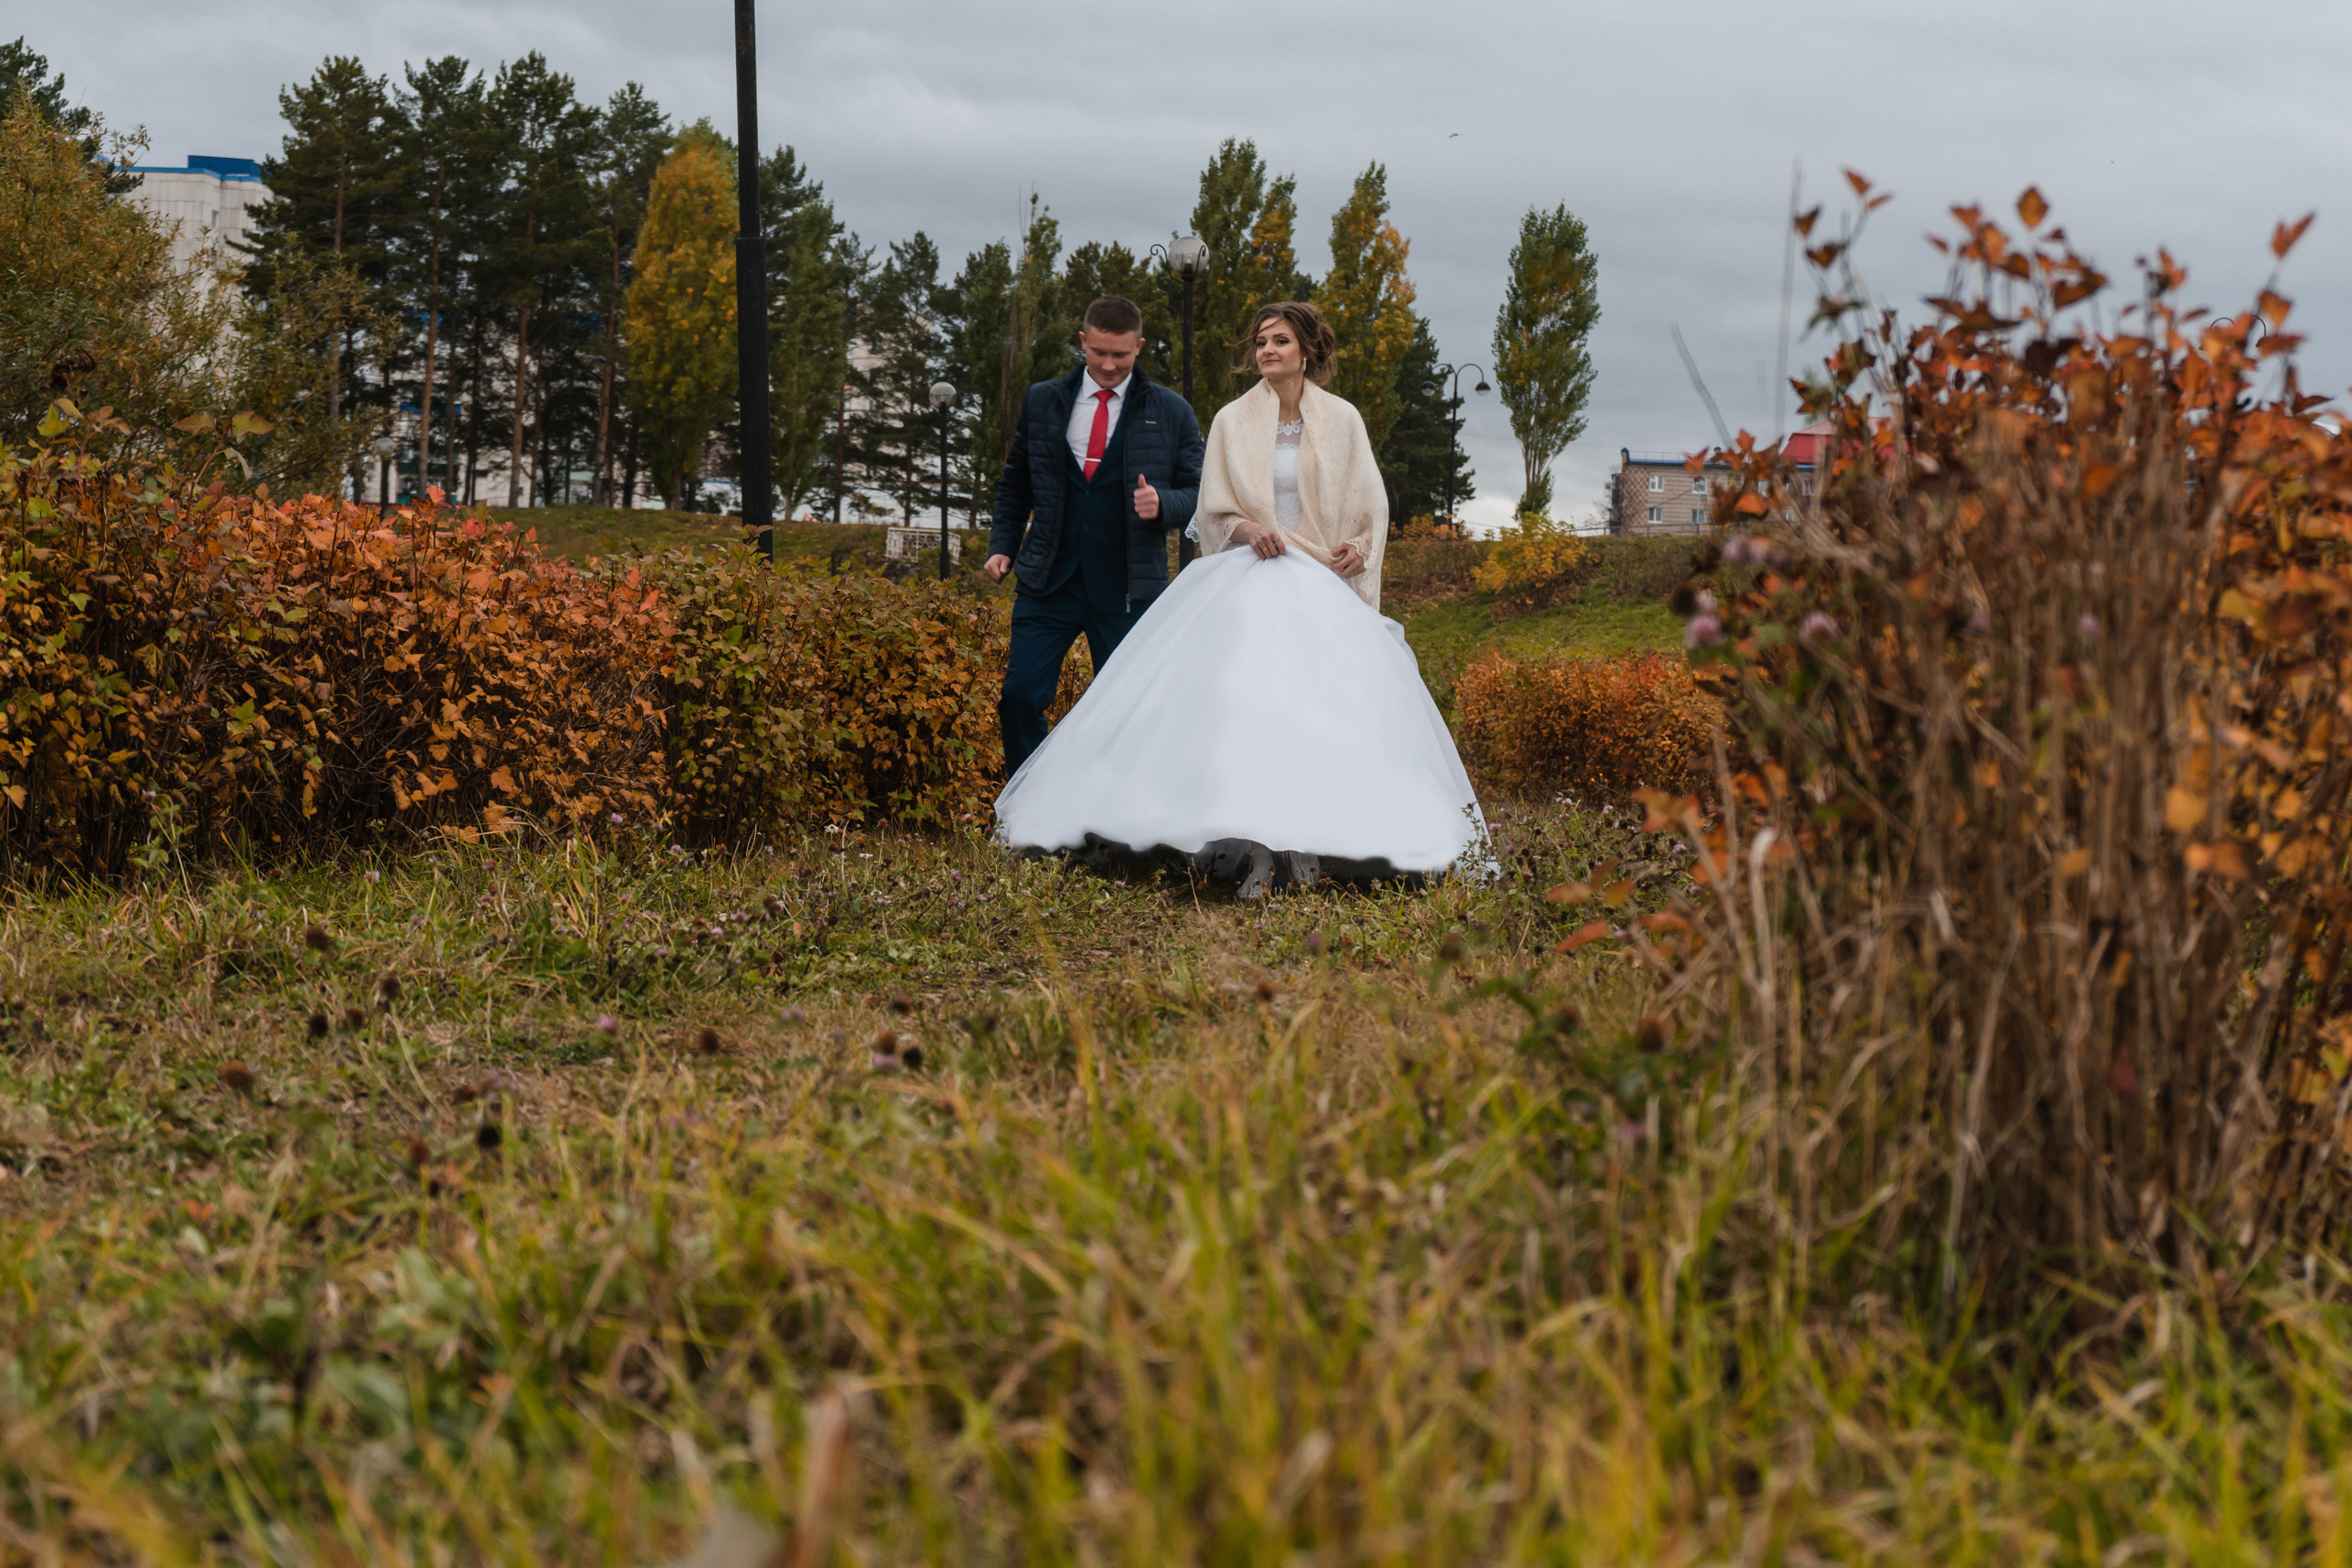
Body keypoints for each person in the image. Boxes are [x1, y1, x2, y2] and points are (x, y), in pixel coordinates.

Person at [994, 300, 1490, 897]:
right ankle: (1252, 846)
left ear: (1307, 351)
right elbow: (1212, 507)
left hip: (1317, 580)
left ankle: (1312, 843)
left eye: (1279, 340)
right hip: (1252, 573)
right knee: (1245, 711)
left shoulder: (1343, 421)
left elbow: (1368, 506)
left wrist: (1358, 546)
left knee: (1319, 712)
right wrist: (1248, 529)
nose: (1267, 351)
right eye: (1260, 341)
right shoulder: (1231, 419)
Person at [986, 295, 1204, 776]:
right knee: (1020, 697)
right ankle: (1028, 810)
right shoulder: (1043, 399)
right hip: (1047, 580)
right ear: (1083, 341)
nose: (1108, 365)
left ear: (1139, 347)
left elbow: (1201, 492)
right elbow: (1016, 481)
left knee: (1129, 711)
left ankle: (1114, 821)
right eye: (1099, 352)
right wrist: (1002, 545)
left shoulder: (1173, 412)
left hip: (1129, 588)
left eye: (1121, 355)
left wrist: (1163, 504)